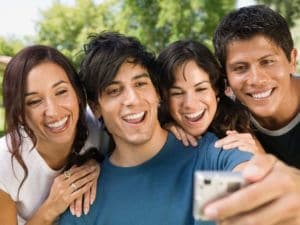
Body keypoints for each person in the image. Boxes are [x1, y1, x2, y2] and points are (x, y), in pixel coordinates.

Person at [59, 31, 253, 225]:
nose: (132, 100)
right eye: (114, 91)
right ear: (96, 108)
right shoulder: (84, 204)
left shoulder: (213, 155)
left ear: (158, 93)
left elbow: (254, 184)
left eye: (140, 84)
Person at [199, 5, 300, 224]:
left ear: (292, 59)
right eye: (240, 68)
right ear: (225, 76)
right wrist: (172, 127)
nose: (256, 79)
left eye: (267, 62)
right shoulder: (225, 116)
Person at [0, 45, 102, 225]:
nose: (53, 112)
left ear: (78, 93)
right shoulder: (4, 164)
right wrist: (52, 207)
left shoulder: (96, 124)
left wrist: (96, 162)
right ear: (19, 114)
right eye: (34, 101)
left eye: (61, 91)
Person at [156, 39, 264, 154]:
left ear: (216, 88)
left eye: (201, 89)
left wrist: (257, 157)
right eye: (177, 93)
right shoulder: (158, 129)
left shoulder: (238, 125)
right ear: (163, 97)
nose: (190, 104)